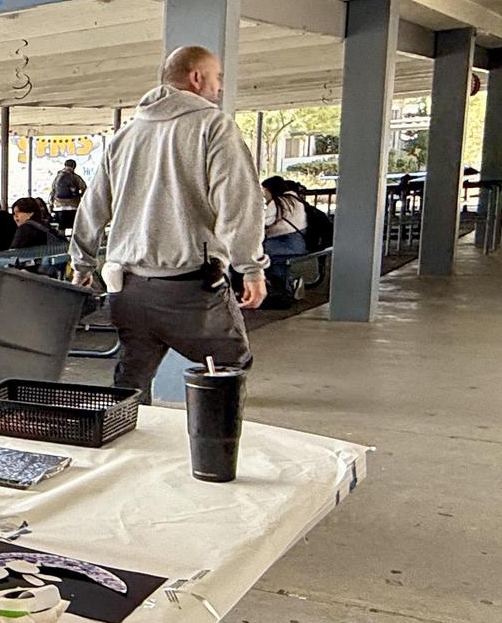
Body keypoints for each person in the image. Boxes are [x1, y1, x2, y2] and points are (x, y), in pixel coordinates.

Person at [70, 45, 268, 395]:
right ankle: (210, 447)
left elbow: (93, 205)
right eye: (217, 77)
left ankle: (127, 441)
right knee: (227, 370)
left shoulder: (124, 136)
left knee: (131, 384)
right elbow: (237, 200)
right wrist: (249, 267)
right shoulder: (213, 126)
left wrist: (82, 264)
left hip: (127, 290)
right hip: (191, 290)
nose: (220, 86)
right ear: (196, 77)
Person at [260, 175, 311, 300]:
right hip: (300, 243)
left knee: (256, 252)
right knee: (276, 261)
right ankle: (288, 286)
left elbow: (263, 223)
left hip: (286, 243)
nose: (264, 195)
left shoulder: (278, 203)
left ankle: (282, 287)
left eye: (264, 191)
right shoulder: (295, 200)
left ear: (270, 189)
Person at [49, 159, 87, 231]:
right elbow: (84, 188)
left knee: (61, 227)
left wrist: (51, 204)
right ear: (74, 166)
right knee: (74, 226)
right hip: (73, 206)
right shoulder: (75, 177)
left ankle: (61, 239)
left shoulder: (57, 177)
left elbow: (53, 191)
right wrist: (79, 196)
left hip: (59, 206)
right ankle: (72, 241)